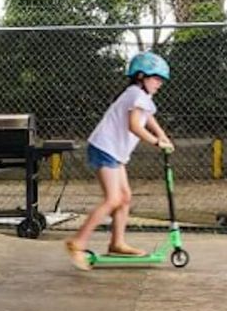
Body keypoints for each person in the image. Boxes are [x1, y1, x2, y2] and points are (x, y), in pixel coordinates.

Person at [65, 52, 174, 270]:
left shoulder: (140, 96)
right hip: (106, 148)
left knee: (124, 197)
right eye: (157, 79)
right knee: (114, 198)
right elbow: (135, 125)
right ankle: (77, 243)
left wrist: (163, 135)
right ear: (141, 76)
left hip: (114, 151)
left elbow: (148, 117)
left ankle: (117, 243)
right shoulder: (136, 95)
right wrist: (156, 142)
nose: (160, 84)